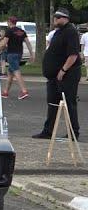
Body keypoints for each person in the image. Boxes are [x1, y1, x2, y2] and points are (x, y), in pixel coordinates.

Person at [33, 8, 82, 140]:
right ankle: (48, 131)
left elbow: (73, 55)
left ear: (65, 18)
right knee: (52, 103)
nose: (55, 19)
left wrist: (63, 70)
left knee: (68, 103)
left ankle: (73, 132)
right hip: (53, 76)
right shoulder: (57, 32)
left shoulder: (70, 32)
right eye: (54, 17)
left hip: (68, 74)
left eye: (58, 17)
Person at [0, 16, 33, 100]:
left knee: (16, 71)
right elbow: (28, 43)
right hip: (19, 53)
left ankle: (24, 91)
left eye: (8, 21)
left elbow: (4, 43)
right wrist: (32, 53)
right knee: (10, 73)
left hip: (11, 53)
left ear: (10, 22)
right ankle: (5, 92)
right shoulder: (21, 31)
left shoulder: (9, 31)